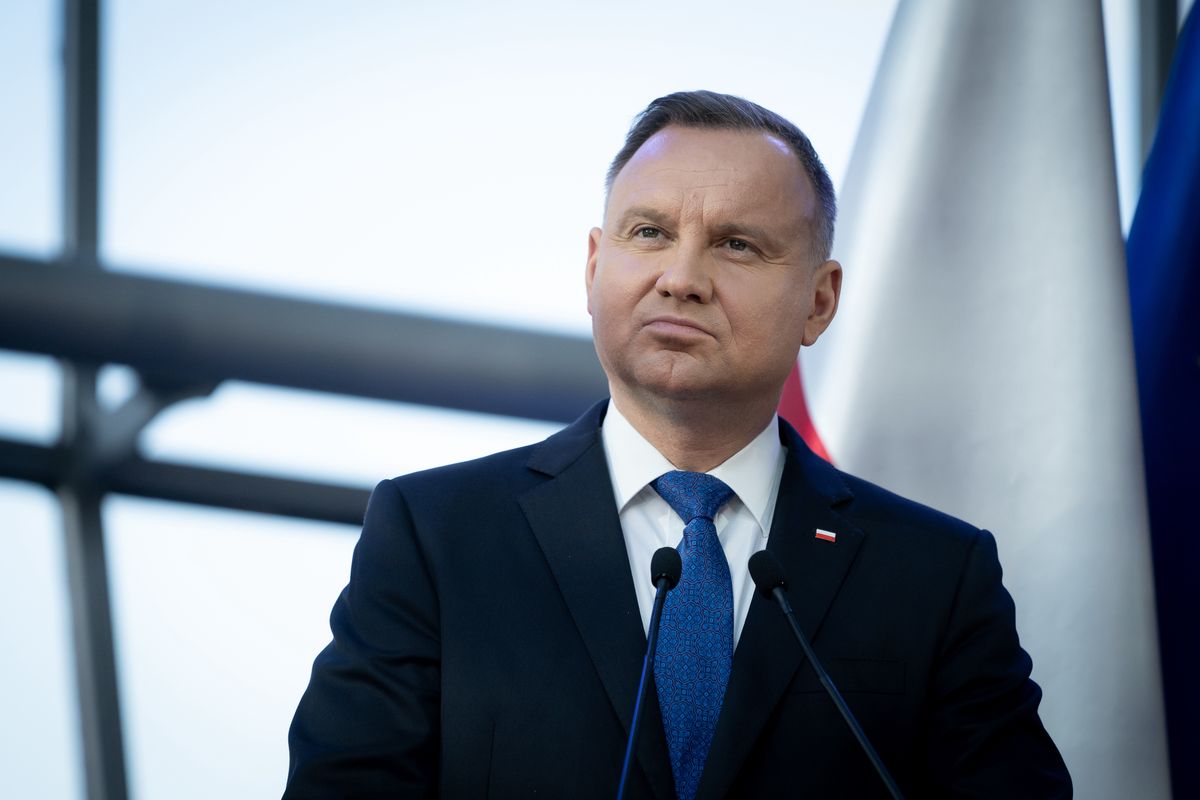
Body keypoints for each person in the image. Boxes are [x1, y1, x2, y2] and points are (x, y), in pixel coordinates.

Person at [284, 90, 1071, 799]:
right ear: (595, 268)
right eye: (650, 233)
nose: (681, 278)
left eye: (736, 245)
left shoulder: (933, 576)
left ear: (819, 301)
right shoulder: (435, 536)